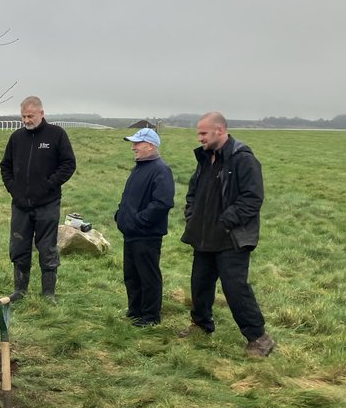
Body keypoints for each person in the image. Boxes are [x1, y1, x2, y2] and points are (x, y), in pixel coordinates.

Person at [179, 112, 275, 357]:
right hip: (203, 237)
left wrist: (225, 222)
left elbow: (252, 199)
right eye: (198, 133)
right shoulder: (205, 159)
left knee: (235, 289)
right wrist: (192, 214)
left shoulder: (242, 159)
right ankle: (201, 325)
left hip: (230, 239)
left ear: (219, 131)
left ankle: (258, 337)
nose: (199, 138)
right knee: (199, 285)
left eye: (203, 133)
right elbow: (193, 192)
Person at [0, 96, 76, 302]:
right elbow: (5, 166)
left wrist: (48, 185)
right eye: (23, 116)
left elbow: (68, 164)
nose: (26, 120)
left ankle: (48, 293)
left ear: (41, 113)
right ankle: (19, 290)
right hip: (20, 205)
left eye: (30, 116)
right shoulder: (16, 138)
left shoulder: (56, 135)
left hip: (47, 204)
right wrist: (14, 189)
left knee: (47, 247)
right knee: (19, 246)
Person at [114, 127, 175, 327]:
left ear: (150, 145)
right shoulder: (139, 168)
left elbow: (162, 203)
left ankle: (150, 317)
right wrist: (120, 215)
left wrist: (139, 221)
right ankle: (135, 310)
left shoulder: (160, 169)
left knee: (148, 277)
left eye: (137, 143)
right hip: (131, 234)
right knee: (131, 275)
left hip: (146, 235)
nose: (133, 147)